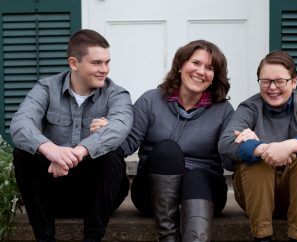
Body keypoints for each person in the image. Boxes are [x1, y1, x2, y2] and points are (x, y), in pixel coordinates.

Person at [10, 29, 133, 242]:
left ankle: (93, 238)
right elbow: (21, 123)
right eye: (97, 63)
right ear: (74, 63)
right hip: (53, 191)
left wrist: (75, 153)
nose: (105, 69)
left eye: (107, 62)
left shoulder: (117, 94)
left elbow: (121, 126)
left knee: (113, 157)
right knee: (23, 155)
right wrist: (52, 150)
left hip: (96, 196)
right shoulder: (47, 88)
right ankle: (45, 238)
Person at [111, 39, 233, 242]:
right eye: (196, 63)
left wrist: (245, 143)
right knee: (168, 150)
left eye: (209, 68)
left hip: (203, 194)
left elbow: (230, 161)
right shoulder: (150, 100)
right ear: (180, 65)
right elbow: (126, 144)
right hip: (152, 194)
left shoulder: (223, 111)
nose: (201, 71)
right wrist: (108, 130)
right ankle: (168, 237)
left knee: (195, 176)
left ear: (214, 76)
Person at [218, 50, 297, 242]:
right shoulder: (249, 108)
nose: (272, 87)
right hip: (255, 197)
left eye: (280, 81)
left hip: (294, 196)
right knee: (255, 160)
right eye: (265, 81)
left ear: (294, 82)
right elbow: (225, 143)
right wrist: (263, 149)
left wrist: (291, 145)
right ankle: (262, 236)